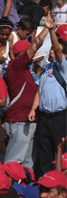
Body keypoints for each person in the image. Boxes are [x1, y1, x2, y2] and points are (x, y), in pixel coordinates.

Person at [4, 18, 52, 169]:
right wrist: (47, 29)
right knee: (13, 162)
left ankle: (25, 191)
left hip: (29, 121)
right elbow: (35, 46)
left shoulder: (27, 70)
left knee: (27, 164)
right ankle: (6, 190)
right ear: (23, 54)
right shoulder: (15, 65)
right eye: (29, 51)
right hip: (19, 120)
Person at [31, 20, 67, 177]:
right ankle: (46, 186)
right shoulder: (46, 67)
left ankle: (60, 188)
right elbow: (40, 90)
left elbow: (58, 52)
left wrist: (51, 30)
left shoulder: (63, 66)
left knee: (61, 154)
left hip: (59, 119)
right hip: (44, 119)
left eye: (55, 49)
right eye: (51, 49)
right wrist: (33, 109)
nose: (52, 51)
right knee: (44, 156)